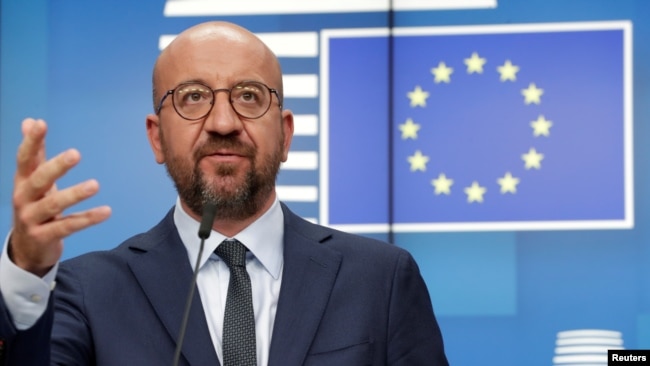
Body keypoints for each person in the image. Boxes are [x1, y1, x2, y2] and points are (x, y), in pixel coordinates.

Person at [0, 21, 448, 365]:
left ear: (286, 134)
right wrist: (26, 268)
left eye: (249, 96)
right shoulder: (88, 290)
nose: (223, 122)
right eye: (192, 97)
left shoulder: (382, 279)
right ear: (156, 138)